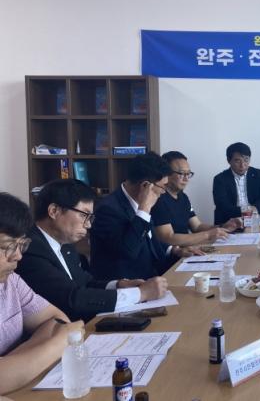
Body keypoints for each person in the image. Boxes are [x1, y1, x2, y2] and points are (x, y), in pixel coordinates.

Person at [17, 179, 168, 322]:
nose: (88, 225)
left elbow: (85, 283)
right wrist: (141, 293)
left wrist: (119, 285)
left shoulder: (65, 244)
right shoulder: (30, 249)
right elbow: (73, 298)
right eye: (83, 215)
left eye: (90, 217)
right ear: (54, 211)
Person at [0, 192, 84, 395]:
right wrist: (58, 343)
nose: (18, 256)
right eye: (8, 247)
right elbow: (63, 333)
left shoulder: (11, 282)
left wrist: (12, 365)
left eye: (21, 245)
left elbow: (57, 320)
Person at [90, 152, 193, 281]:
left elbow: (149, 240)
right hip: (129, 283)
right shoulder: (107, 209)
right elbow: (128, 251)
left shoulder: (141, 202)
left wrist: (174, 250)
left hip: (153, 276)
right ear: (145, 186)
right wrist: (144, 210)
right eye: (163, 187)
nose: (163, 192)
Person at [152, 151, 241, 247]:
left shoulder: (183, 197)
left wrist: (222, 227)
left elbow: (197, 226)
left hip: (189, 249)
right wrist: (208, 235)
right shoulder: (158, 198)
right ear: (167, 174)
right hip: (174, 254)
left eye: (188, 174)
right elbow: (168, 238)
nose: (186, 179)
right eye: (182, 174)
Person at [212, 142, 260, 225]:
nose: (242, 165)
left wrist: (255, 208)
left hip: (255, 219)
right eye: (237, 161)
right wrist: (246, 211)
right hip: (229, 222)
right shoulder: (220, 179)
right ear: (229, 161)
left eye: (246, 160)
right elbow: (222, 205)